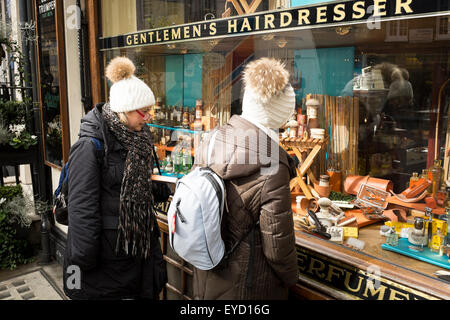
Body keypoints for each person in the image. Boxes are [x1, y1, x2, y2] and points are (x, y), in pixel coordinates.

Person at [192, 57, 298, 299]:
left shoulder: (213, 139)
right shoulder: (272, 161)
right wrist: (292, 280)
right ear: (278, 113)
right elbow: (278, 246)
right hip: (250, 283)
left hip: (208, 267)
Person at [63, 56, 167, 300]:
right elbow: (81, 209)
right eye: (144, 111)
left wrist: (162, 189)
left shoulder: (138, 139)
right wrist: (84, 264)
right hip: (103, 264)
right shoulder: (90, 146)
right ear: (125, 110)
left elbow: (135, 186)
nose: (149, 117)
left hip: (135, 255)